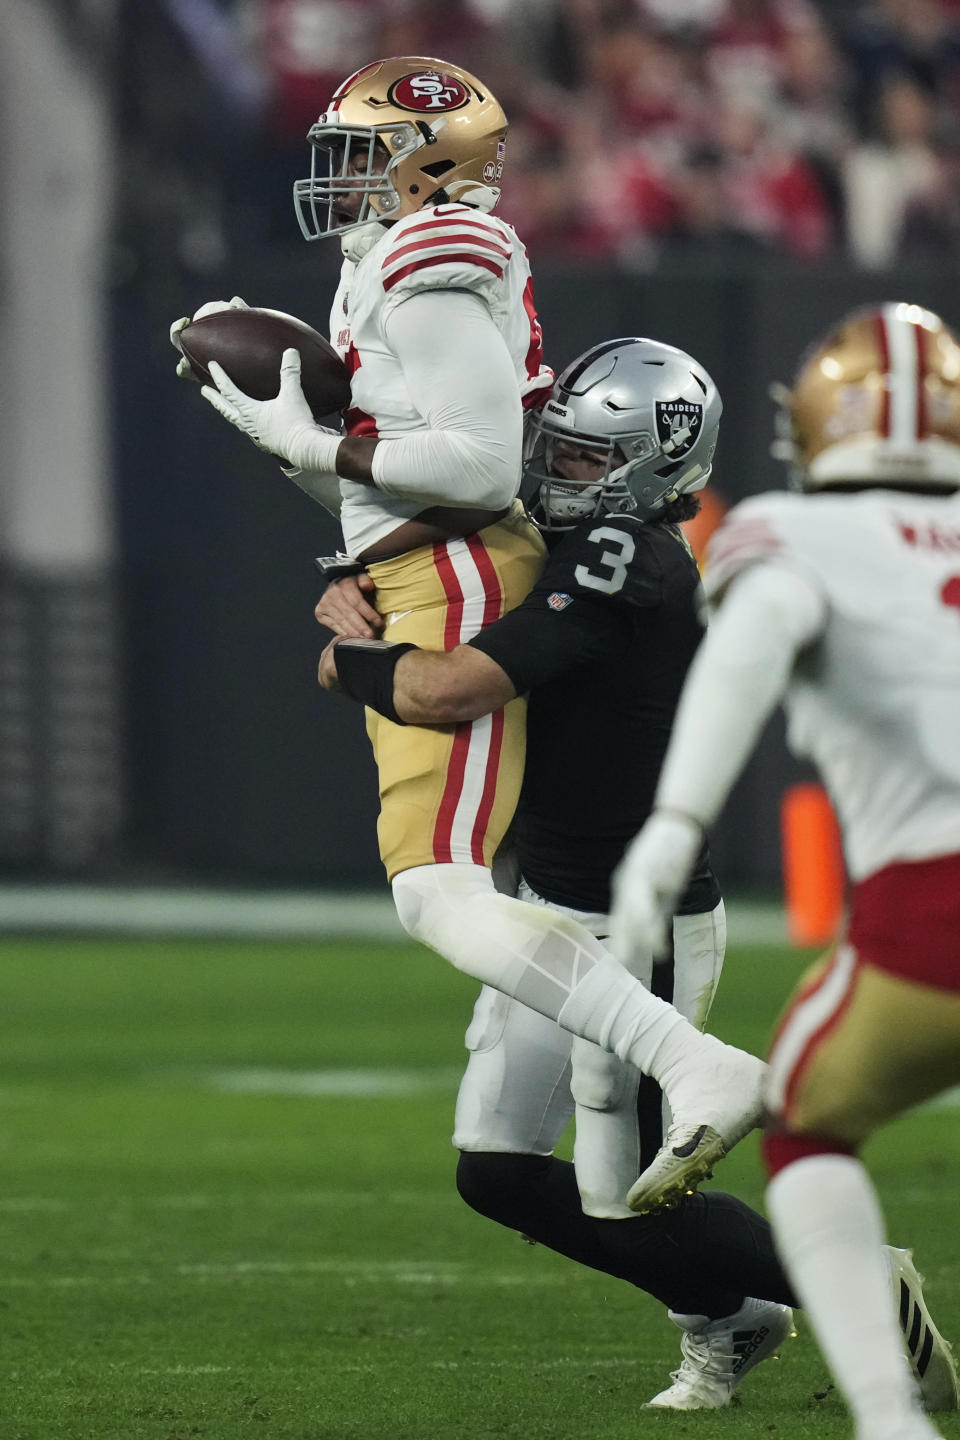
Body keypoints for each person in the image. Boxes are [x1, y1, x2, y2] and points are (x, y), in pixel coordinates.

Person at [316, 336, 955, 1414]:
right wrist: (356, 584)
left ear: (647, 467)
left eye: (577, 460)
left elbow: (450, 691)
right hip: (553, 899)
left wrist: (349, 658)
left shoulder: (631, 559)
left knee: (628, 1198)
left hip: (638, 921)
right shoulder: (571, 541)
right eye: (551, 451)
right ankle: (740, 1321)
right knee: (498, 1171)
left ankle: (843, 1283)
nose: (548, 474)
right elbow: (447, 547)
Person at [172, 57, 766, 1193]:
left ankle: (693, 1064)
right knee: (445, 890)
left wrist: (307, 443)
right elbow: (406, 477)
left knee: (439, 888)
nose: (339, 174)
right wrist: (311, 479)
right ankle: (710, 1208)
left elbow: (482, 465)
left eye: (363, 150)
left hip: (462, 567)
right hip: (429, 562)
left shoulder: (431, 253)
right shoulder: (388, 258)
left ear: (427, 158)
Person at [609, 301, 960, 1439]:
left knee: (807, 1127)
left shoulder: (794, 536)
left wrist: (673, 823)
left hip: (933, 909)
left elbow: (752, 646)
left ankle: (888, 1420)